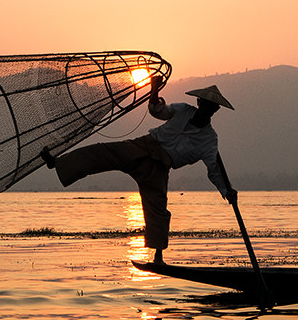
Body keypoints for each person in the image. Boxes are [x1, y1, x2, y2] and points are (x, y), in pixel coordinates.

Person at [40, 77, 236, 264]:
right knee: (101, 152)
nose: (205, 108)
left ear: (215, 110)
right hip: (142, 147)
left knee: (157, 208)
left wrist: (227, 192)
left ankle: (158, 257)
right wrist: (154, 89)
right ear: (199, 102)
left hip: (159, 167)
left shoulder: (209, 139)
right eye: (204, 103)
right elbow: (158, 110)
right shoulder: (184, 110)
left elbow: (214, 169)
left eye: (211, 107)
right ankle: (57, 163)